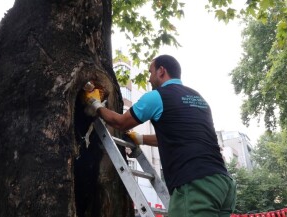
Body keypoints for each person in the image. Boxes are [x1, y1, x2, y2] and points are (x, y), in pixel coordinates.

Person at [84, 55, 236, 217]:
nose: (149, 79)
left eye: (150, 72)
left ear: (161, 71)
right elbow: (181, 137)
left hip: (196, 184)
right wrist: (141, 139)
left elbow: (120, 122)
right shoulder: (199, 99)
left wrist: (95, 104)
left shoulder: (158, 96)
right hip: (224, 184)